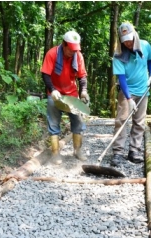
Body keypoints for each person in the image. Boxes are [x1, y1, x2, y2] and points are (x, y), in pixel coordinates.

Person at [110, 22, 151, 167]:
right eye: (125, 41)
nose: (129, 43)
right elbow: (121, 79)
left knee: (139, 122)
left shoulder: (145, 45)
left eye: (130, 40)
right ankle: (117, 153)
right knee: (122, 120)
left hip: (143, 90)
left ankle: (134, 151)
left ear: (135, 36)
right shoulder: (118, 55)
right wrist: (129, 98)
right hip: (126, 92)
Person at [41, 30, 89, 165]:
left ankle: (77, 150)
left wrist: (84, 91)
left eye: (75, 50)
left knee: (78, 122)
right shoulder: (52, 54)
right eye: (70, 50)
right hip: (55, 94)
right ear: (64, 44)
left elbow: (82, 76)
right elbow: (45, 74)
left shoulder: (78, 56)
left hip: (72, 95)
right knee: (54, 123)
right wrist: (53, 89)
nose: (72, 52)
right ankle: (55, 153)